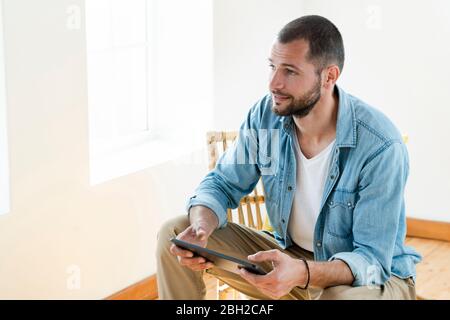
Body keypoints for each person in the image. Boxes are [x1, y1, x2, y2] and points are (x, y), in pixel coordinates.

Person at [156, 15, 422, 300]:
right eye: (272, 67)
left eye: (290, 72)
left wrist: (304, 272)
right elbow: (222, 184)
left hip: (373, 280)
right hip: (290, 260)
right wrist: (201, 227)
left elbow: (371, 260)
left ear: (329, 77)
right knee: (174, 233)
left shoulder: (379, 146)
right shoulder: (266, 117)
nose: (273, 83)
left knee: (337, 298)